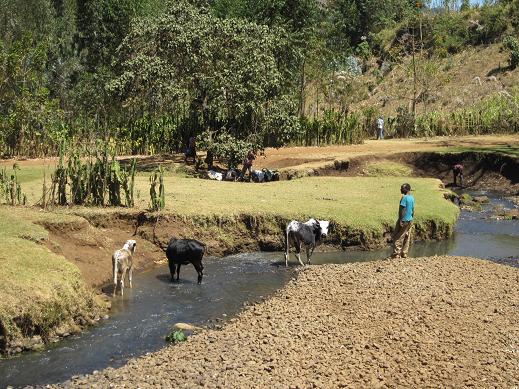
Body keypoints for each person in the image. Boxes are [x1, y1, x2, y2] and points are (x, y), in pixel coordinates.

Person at [390, 183, 415, 259]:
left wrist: (401, 220)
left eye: (402, 188)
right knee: (407, 236)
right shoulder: (412, 198)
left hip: (404, 220)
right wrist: (411, 218)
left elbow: (402, 209)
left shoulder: (404, 198)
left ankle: (396, 254)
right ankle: (404, 253)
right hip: (410, 220)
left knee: (397, 237)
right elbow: (413, 209)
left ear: (407, 189)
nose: (400, 190)